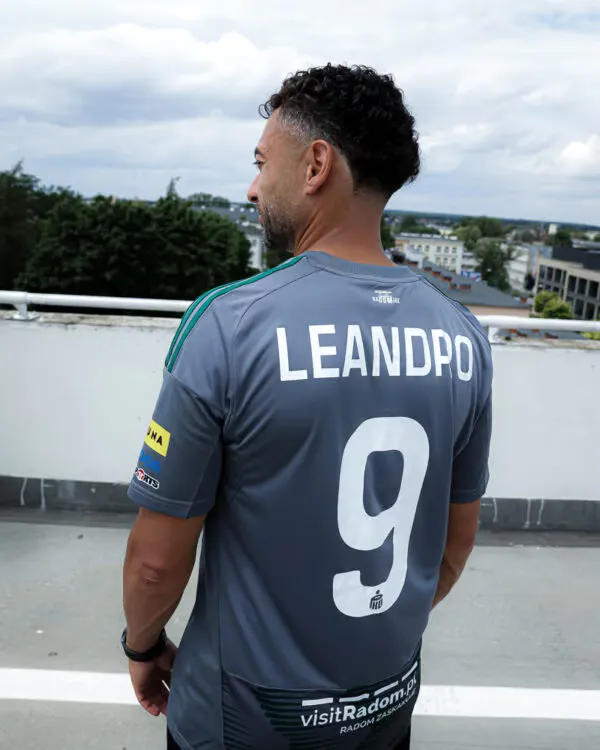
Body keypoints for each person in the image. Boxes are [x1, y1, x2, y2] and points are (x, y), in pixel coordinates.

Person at [122, 63, 493, 750]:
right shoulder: (463, 334)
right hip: (385, 707)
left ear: (316, 164)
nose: (253, 187)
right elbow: (454, 543)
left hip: (243, 718)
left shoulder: (229, 324)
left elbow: (155, 564)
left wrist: (141, 646)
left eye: (263, 163)